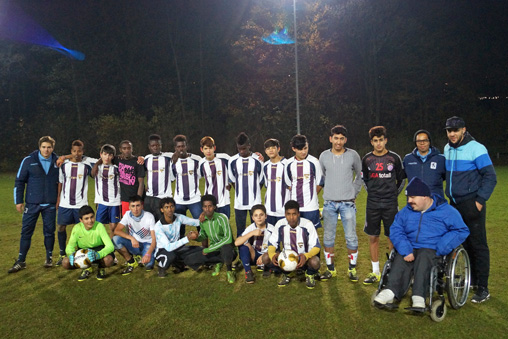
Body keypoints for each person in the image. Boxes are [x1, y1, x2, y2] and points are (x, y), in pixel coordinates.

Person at [373, 177, 470, 309]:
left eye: (412, 197)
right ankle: (390, 291)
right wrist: (405, 249)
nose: (409, 201)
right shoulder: (406, 212)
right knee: (401, 257)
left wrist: (442, 246)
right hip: (410, 246)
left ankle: (419, 296)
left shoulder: (447, 212)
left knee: (424, 257)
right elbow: (396, 229)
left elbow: (461, 230)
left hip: (432, 248)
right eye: (408, 198)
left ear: (425, 196)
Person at [443, 116, 497, 303]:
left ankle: (483, 288)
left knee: (478, 245)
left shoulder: (477, 148)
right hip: (455, 205)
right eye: (449, 130)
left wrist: (479, 201)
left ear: (463, 130)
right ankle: (470, 281)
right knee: (462, 244)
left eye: (456, 130)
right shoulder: (447, 148)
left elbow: (490, 176)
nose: (452, 134)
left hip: (472, 203)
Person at [361, 126, 406, 285]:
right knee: (373, 236)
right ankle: (375, 272)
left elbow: (401, 180)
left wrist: (393, 194)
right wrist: (372, 194)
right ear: (371, 142)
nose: (378, 144)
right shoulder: (367, 159)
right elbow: (365, 180)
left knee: (392, 236)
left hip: (390, 204)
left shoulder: (394, 158)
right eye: (375, 141)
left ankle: (392, 270)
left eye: (381, 140)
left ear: (385, 140)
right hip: (372, 204)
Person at [318, 125, 362, 282]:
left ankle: (352, 269)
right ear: (331, 139)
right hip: (329, 204)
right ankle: (331, 269)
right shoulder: (323, 156)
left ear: (345, 140)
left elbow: (360, 175)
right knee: (328, 237)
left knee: (351, 237)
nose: (338, 141)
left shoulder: (353, 155)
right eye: (335, 138)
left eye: (341, 138)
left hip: (347, 204)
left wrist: (354, 192)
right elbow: (322, 176)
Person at [9, 136, 59, 273]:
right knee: (26, 232)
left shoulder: (58, 161)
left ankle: (49, 258)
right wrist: (18, 201)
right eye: (43, 147)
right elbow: (19, 181)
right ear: (39, 147)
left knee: (49, 232)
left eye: (49, 147)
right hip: (32, 204)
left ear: (53, 148)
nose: (46, 150)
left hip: (50, 204)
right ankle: (21, 260)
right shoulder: (28, 160)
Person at [55, 140, 93, 266]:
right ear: (71, 151)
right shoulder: (64, 165)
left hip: (80, 204)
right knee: (61, 227)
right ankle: (61, 253)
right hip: (65, 204)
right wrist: (58, 199)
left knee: (82, 230)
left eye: (79, 151)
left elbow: (101, 160)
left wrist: (64, 156)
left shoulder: (87, 165)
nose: (77, 153)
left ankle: (80, 253)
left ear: (83, 151)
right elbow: (60, 182)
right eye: (74, 151)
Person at [268, 200, 321, 289]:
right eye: (288, 214)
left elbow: (316, 246)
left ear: (298, 214)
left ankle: (310, 274)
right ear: (285, 214)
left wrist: (306, 256)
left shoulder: (307, 224)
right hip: (287, 258)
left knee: (315, 262)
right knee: (266, 258)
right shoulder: (280, 224)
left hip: (303, 258)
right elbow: (272, 243)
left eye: (294, 214)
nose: (291, 217)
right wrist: (272, 255)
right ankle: (287, 273)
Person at [185, 195, 237, 284]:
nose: (207, 209)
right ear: (202, 208)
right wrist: (196, 237)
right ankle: (218, 262)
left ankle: (229, 270)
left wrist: (209, 249)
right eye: (205, 207)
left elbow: (228, 239)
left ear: (214, 207)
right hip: (214, 250)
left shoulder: (222, 218)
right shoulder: (203, 221)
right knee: (189, 259)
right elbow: (203, 236)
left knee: (226, 247)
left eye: (210, 206)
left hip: (229, 250)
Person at [61, 205, 115, 281]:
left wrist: (98, 255)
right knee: (65, 262)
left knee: (108, 260)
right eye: (86, 218)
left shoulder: (99, 226)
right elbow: (70, 246)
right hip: (83, 252)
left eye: (91, 217)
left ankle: (101, 268)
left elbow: (110, 246)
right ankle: (87, 268)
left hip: (98, 251)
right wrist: (71, 254)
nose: (90, 221)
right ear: (81, 220)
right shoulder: (77, 228)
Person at [154, 197, 202, 278]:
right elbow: (168, 247)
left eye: (172, 206)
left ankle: (179, 264)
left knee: (200, 250)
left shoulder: (178, 217)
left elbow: (196, 223)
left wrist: (206, 216)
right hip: (163, 250)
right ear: (162, 210)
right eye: (166, 207)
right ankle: (162, 268)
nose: (170, 209)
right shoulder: (158, 227)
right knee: (171, 255)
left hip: (177, 248)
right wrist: (187, 238)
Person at [285, 134, 323, 230]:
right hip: (295, 207)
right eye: (300, 149)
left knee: (312, 234)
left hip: (311, 207)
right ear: (294, 149)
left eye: (305, 148)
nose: (303, 152)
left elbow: (320, 183)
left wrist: (311, 196)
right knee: (295, 233)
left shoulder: (314, 162)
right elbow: (289, 184)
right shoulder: (288, 163)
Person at [228, 132, 263, 236]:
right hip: (239, 203)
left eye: (244, 148)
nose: (242, 151)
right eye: (239, 149)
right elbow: (233, 180)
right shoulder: (232, 160)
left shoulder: (258, 160)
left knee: (257, 228)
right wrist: (240, 192)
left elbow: (261, 180)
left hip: (255, 202)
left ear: (249, 146)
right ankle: (242, 250)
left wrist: (254, 192)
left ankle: (256, 250)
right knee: (240, 229)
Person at [113, 195, 157, 275]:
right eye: (133, 206)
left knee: (148, 265)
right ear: (129, 207)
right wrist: (131, 238)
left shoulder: (149, 216)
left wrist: (148, 253)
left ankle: (146, 255)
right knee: (115, 239)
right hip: (135, 244)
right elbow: (117, 230)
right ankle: (131, 261)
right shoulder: (127, 215)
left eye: (138, 205)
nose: (135, 209)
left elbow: (154, 239)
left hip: (148, 244)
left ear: (142, 206)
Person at [234, 204, 274, 283]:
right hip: (254, 255)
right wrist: (252, 233)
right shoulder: (251, 228)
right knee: (243, 246)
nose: (259, 217)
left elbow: (276, 247)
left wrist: (264, 256)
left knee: (271, 256)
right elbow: (236, 243)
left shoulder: (272, 229)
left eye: (261, 215)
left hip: (266, 255)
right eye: (256, 215)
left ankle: (267, 266)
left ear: (266, 216)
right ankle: (248, 272)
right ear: (252, 218)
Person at [403, 130, 446, 197]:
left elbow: (445, 177)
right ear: (415, 143)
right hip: (415, 203)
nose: (422, 143)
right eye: (419, 141)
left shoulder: (441, 159)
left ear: (429, 142)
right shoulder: (408, 159)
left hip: (435, 202)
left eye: (425, 140)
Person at [171, 135, 202, 221]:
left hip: (195, 199)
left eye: (183, 146)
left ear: (187, 146)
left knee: (200, 223)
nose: (181, 149)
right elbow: (172, 178)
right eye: (178, 147)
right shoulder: (173, 161)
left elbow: (200, 175)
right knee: (179, 226)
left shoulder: (196, 159)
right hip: (179, 200)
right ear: (175, 148)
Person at [198, 136, 231, 218]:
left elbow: (237, 163)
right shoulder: (201, 163)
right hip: (209, 203)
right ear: (202, 150)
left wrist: (255, 155)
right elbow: (198, 176)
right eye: (206, 148)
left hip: (224, 201)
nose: (208, 151)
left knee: (224, 226)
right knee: (211, 227)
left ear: (214, 148)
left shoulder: (224, 158)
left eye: (210, 148)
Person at [91, 144, 121, 235]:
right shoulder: (96, 166)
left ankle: (113, 247)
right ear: (101, 154)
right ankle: (102, 246)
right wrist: (96, 164)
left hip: (114, 201)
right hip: (101, 202)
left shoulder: (117, 168)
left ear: (113, 156)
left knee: (113, 227)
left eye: (110, 155)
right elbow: (79, 157)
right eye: (105, 154)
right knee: (99, 227)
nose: (107, 157)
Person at [144, 134, 174, 221]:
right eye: (153, 145)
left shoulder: (168, 157)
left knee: (164, 222)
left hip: (163, 197)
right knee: (149, 223)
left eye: (157, 145)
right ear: (149, 147)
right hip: (149, 197)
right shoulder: (147, 158)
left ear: (161, 145)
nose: (155, 147)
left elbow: (180, 154)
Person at [262, 138, 289, 226]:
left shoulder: (287, 164)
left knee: (285, 237)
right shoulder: (265, 166)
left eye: (273, 148)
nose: (271, 150)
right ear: (265, 151)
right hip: (269, 209)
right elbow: (267, 185)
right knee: (271, 236)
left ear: (278, 149)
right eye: (268, 149)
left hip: (283, 209)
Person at [117, 140, 145, 216]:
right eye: (124, 148)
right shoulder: (117, 160)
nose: (127, 150)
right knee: (127, 221)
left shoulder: (138, 162)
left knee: (139, 220)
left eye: (129, 148)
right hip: (125, 198)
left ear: (132, 149)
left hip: (136, 197)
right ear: (120, 149)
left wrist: (138, 199)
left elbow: (141, 182)